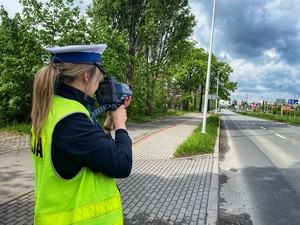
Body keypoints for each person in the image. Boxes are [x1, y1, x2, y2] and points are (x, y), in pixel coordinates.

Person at [30, 44, 132, 225]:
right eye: (98, 79)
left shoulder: (52, 108)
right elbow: (122, 164)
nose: (98, 86)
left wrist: (107, 128)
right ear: (87, 76)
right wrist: (120, 125)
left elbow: (85, 153)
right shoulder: (72, 120)